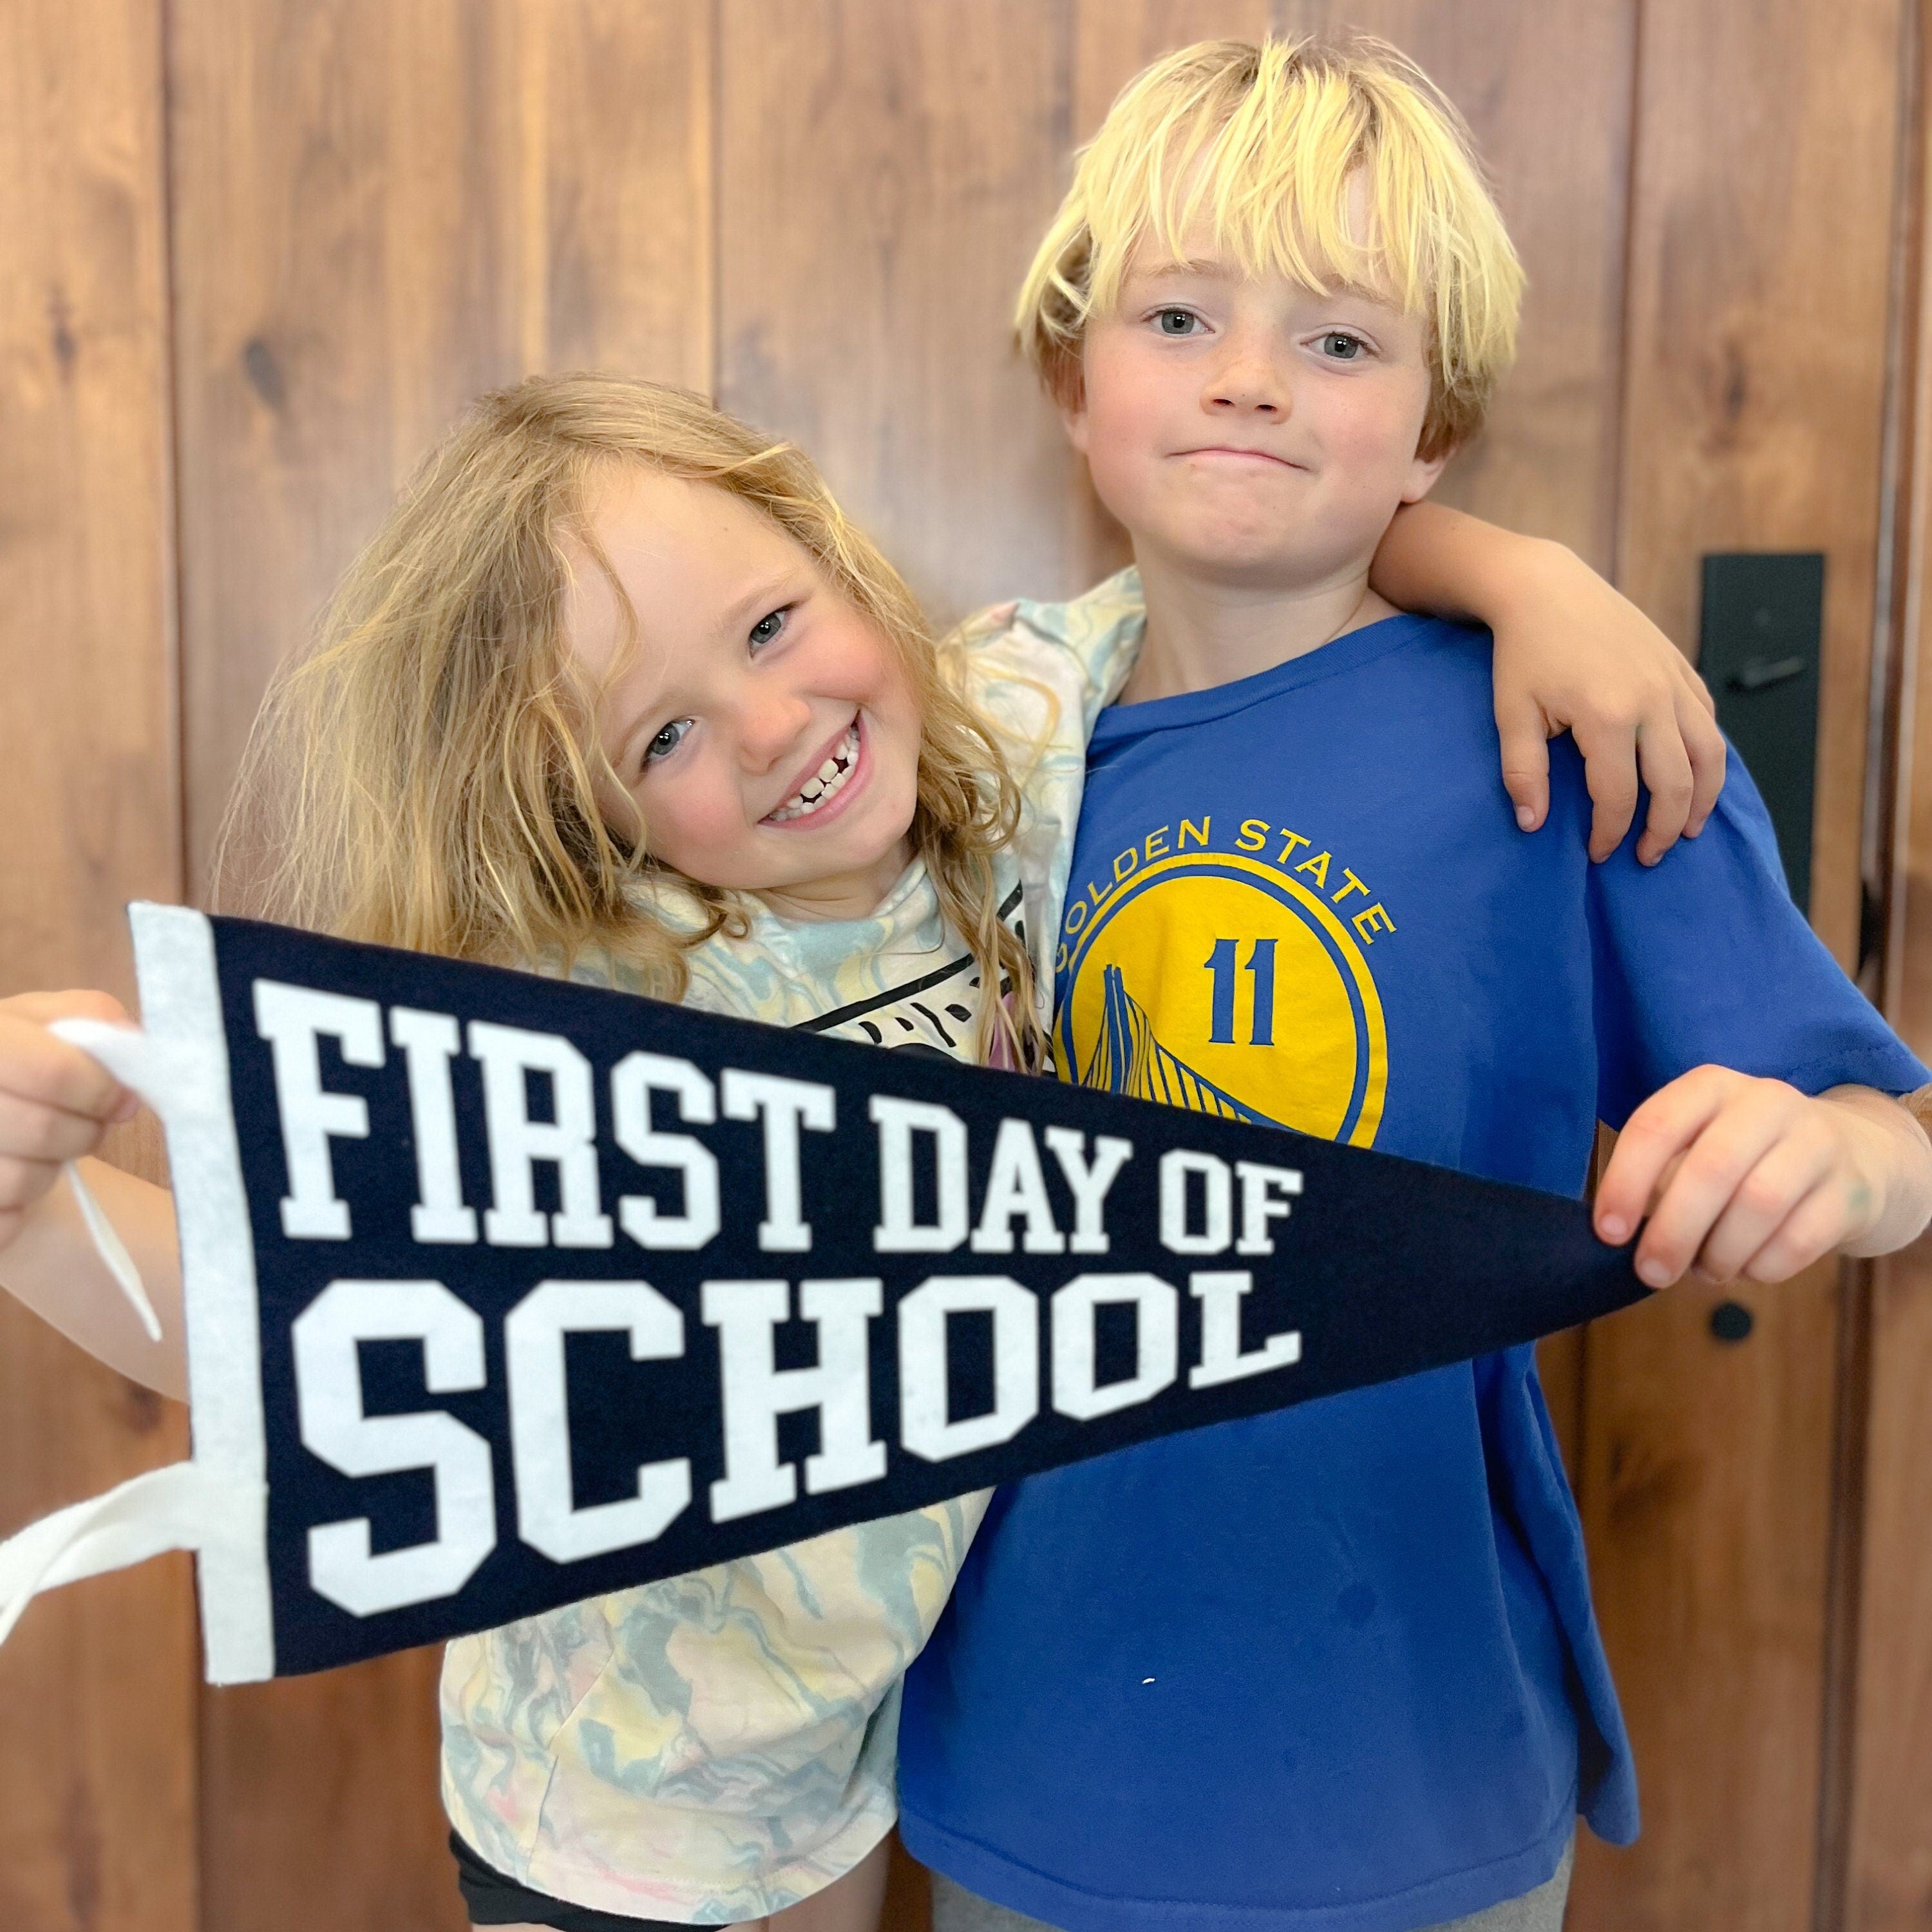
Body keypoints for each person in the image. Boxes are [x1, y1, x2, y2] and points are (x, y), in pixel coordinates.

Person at [0, 365, 1716, 1932]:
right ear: (581, 804)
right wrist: (33, 1220)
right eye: (658, 734)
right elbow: (290, 1335)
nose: (767, 729)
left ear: (829, 553)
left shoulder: (1005, 733)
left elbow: (1249, 546)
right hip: (611, 1818)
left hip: (857, 1770)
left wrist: (1526, 581)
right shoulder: (602, 997)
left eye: (768, 627)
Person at [891, 35, 1932, 1932]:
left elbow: (1893, 1133)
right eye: (1183, 314)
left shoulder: (1571, 736)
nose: (1251, 379)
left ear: (1434, 426)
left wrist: (1833, 1163)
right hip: (1024, 1755)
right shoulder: (960, 759)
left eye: (1343, 344)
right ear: (1075, 376)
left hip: (1414, 1765)